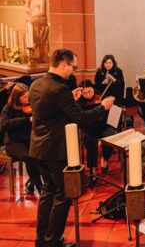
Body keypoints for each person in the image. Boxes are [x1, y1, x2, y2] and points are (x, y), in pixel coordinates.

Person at [29, 49, 114, 247]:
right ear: (64, 64)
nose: (74, 71)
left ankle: (42, 239)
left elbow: (51, 111)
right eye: (73, 67)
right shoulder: (60, 89)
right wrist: (103, 107)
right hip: (56, 150)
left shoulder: (36, 84)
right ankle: (52, 241)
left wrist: (71, 101)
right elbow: (80, 118)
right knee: (63, 195)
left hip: (38, 147)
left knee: (48, 193)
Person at [0, 83, 43, 194]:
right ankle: (39, 186)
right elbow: (4, 124)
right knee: (29, 157)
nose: (28, 99)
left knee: (41, 154)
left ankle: (32, 183)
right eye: (25, 97)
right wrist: (25, 120)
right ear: (16, 97)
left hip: (29, 140)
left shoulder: (31, 105)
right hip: (13, 143)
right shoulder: (8, 108)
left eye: (29, 96)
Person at [77, 79, 117, 182]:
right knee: (89, 140)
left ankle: (105, 158)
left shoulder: (101, 96)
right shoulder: (79, 103)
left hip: (104, 125)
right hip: (89, 128)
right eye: (84, 93)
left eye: (90, 91)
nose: (88, 95)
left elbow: (113, 112)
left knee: (110, 136)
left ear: (93, 89)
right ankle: (92, 168)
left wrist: (110, 105)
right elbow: (80, 120)